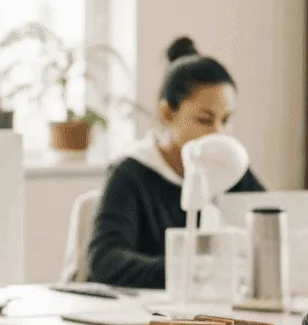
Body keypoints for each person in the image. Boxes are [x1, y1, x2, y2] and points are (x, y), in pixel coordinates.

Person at [87, 37, 264, 288]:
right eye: (205, 120)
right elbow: (105, 260)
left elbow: (269, 235)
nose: (219, 133)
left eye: (226, 120)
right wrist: (192, 270)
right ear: (168, 113)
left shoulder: (232, 170)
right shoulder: (131, 174)